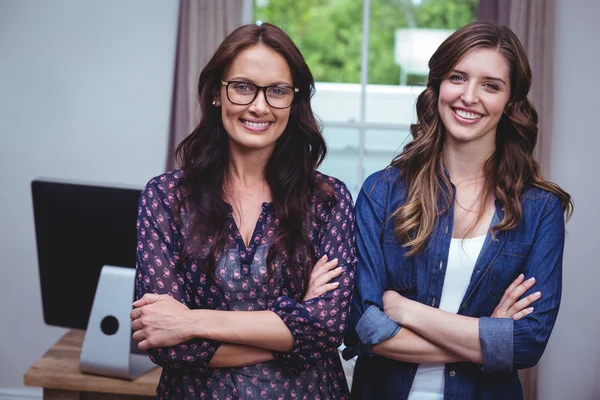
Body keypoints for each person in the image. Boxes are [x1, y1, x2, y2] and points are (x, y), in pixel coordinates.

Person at [344, 20, 573, 400]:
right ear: (437, 87)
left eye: (490, 85)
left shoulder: (540, 209)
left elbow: (528, 344)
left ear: (510, 102)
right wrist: (489, 339)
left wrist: (405, 310)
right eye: (457, 77)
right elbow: (363, 328)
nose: (469, 96)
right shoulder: (382, 192)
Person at [129, 23, 356, 399]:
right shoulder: (166, 198)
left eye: (278, 91)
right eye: (243, 87)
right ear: (218, 93)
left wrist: (189, 320)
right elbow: (166, 343)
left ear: (294, 100)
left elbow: (328, 328)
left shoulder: (327, 200)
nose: (259, 106)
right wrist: (293, 330)